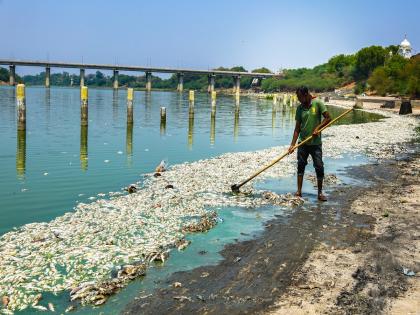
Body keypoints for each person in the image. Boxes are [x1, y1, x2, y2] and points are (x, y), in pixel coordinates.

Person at [288, 86, 331, 201]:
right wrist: (292, 145)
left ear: (306, 95)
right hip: (302, 142)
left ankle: (320, 193)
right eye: (297, 97)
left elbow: (328, 118)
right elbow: (297, 129)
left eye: (300, 97)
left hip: (315, 143)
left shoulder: (318, 104)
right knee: (301, 166)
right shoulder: (299, 109)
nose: (298, 99)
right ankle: (299, 191)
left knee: (319, 166)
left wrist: (318, 128)